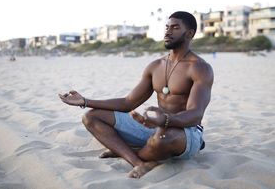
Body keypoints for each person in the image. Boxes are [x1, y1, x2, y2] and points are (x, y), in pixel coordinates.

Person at [59, 11, 214, 178]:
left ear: (189, 33)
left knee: (163, 137)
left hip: (186, 133)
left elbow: (195, 115)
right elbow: (128, 102)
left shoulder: (199, 68)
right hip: (155, 127)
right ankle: (138, 162)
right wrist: (85, 101)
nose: (168, 32)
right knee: (91, 117)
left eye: (175, 27)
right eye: (167, 27)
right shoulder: (155, 66)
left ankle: (125, 150)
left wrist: (166, 120)